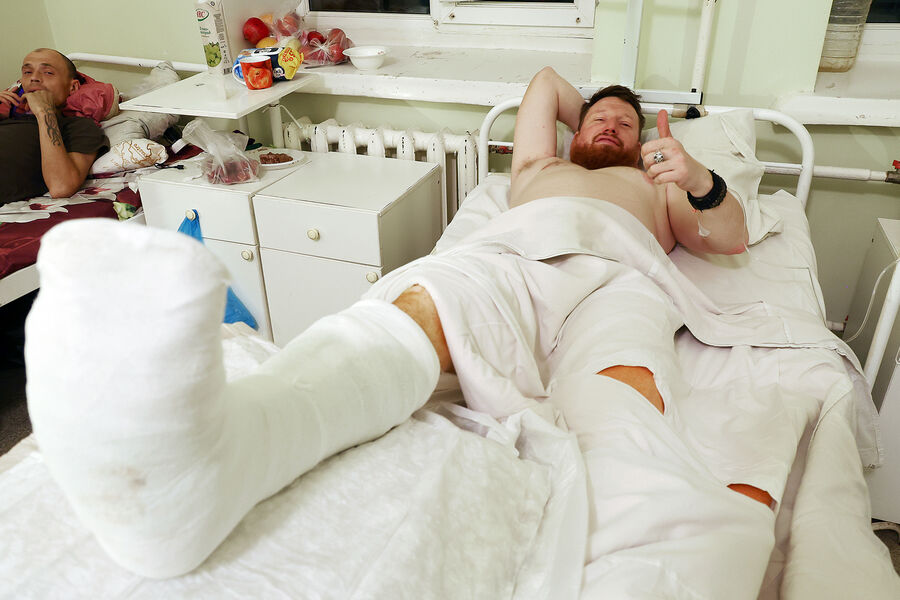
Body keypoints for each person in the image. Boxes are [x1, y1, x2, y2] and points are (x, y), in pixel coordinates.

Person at [24, 66, 775, 593]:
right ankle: (227, 459)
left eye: (625, 124)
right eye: (599, 119)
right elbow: (546, 82)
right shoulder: (535, 168)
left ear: (644, 142)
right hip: (514, 257)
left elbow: (731, 239)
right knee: (428, 297)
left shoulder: (658, 182)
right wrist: (599, 108)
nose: (610, 126)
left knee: (627, 392)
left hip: (620, 280)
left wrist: (697, 176)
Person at [0, 48, 108, 204]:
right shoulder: (8, 116)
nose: (34, 78)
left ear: (72, 87)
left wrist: (44, 112)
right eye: (27, 72)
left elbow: (61, 186)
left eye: (48, 72)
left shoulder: (79, 127)